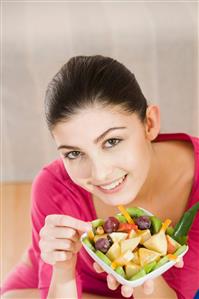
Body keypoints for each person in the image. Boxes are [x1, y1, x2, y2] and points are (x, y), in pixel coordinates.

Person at [1, 55, 199, 299]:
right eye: (74, 153)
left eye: (112, 141)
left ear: (149, 123)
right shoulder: (55, 186)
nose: (99, 174)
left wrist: (138, 262)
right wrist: (62, 269)